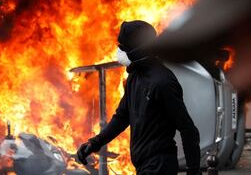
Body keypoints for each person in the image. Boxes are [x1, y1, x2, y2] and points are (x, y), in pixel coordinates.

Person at [77, 21, 201, 175]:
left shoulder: (162, 82)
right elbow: (122, 116)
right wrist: (94, 143)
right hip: (143, 166)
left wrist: (193, 171)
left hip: (159, 167)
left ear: (138, 50)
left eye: (123, 48)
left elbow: (187, 128)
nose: (119, 51)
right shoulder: (134, 76)